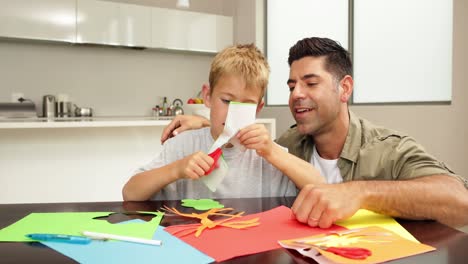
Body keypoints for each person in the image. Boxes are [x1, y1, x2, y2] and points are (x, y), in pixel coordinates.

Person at [160, 37, 468, 228]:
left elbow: (460, 203)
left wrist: (360, 193)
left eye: (310, 82)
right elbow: (247, 143)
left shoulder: (389, 149)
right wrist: (209, 124)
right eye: (292, 85)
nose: (296, 94)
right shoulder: (289, 144)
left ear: (344, 88)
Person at [122, 44, 325, 202]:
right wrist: (176, 169)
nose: (232, 114)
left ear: (258, 108)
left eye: (246, 105)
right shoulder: (182, 146)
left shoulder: (266, 154)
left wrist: (272, 151)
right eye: (227, 101)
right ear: (208, 97)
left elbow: (321, 188)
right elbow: (130, 193)